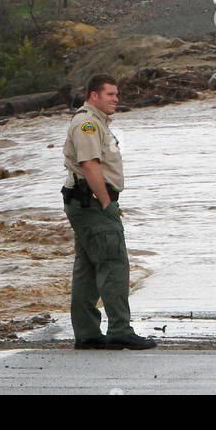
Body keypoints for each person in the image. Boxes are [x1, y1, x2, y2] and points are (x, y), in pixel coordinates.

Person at [61, 73, 155, 350]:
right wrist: (105, 201)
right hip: (93, 204)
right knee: (113, 265)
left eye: (117, 94)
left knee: (88, 268)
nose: (116, 99)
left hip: (84, 204)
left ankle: (88, 333)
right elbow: (90, 165)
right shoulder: (88, 124)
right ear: (94, 96)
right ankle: (119, 330)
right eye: (110, 94)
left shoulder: (93, 122)